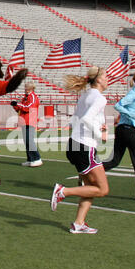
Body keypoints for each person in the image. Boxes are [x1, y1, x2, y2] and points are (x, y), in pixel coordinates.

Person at [50, 66, 109, 234]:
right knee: (102, 189)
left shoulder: (85, 95)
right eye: (105, 76)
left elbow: (78, 120)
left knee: (89, 186)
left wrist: (98, 126)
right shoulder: (99, 98)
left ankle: (78, 223)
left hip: (75, 144)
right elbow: (86, 118)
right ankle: (63, 191)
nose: (107, 79)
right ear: (98, 79)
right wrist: (100, 134)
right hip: (84, 147)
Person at [102, 69, 135, 202]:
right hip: (127, 130)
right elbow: (118, 105)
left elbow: (132, 108)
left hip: (123, 130)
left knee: (114, 161)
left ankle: (88, 174)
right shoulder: (133, 94)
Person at [11, 82, 42, 167]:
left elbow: (28, 107)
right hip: (24, 121)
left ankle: (37, 158)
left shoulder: (33, 97)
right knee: (26, 141)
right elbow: (21, 109)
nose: (25, 89)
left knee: (30, 141)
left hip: (30, 121)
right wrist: (15, 105)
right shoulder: (25, 97)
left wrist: (18, 104)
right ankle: (30, 159)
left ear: (30, 88)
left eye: (26, 88)